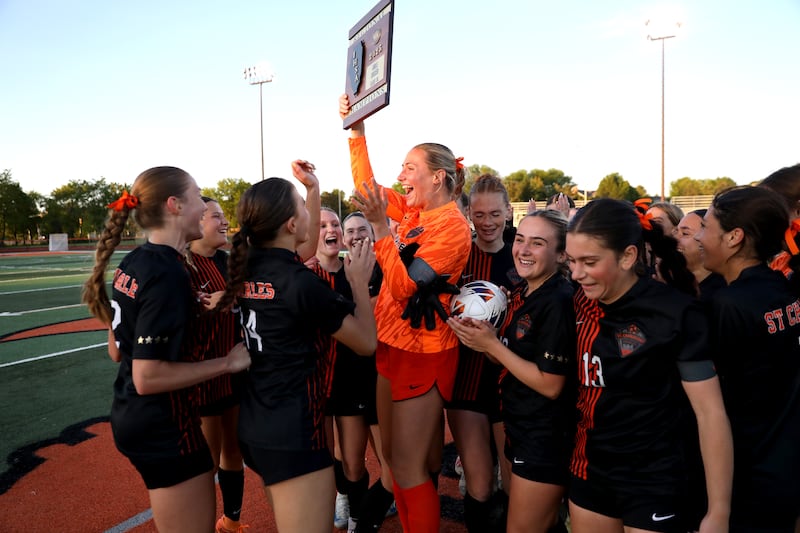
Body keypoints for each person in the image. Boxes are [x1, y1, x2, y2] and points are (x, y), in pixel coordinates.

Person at [82, 166, 251, 533]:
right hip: (163, 423)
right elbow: (148, 376)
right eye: (197, 198)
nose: (203, 209)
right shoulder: (168, 273)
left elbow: (117, 351)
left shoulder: (139, 260)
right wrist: (227, 363)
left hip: (136, 415)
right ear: (174, 205)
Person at [216, 164, 378, 533]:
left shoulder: (248, 263)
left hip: (257, 423)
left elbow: (297, 249)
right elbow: (366, 343)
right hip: (295, 429)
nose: (313, 217)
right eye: (305, 211)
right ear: (291, 224)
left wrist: (313, 188)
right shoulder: (302, 284)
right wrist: (357, 283)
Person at [340, 94, 472, 533]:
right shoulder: (417, 209)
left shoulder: (452, 226)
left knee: (412, 468)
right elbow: (368, 190)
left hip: (424, 352)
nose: (400, 176)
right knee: (394, 462)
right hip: (391, 345)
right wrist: (356, 133)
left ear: (437, 177)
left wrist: (380, 228)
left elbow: (402, 286)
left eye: (409, 168)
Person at [565, 198, 733, 533]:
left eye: (589, 261)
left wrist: (719, 511)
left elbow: (710, 413)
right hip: (590, 473)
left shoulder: (676, 313)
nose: (576, 273)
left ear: (628, 256)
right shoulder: (578, 302)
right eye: (571, 261)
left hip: (655, 480)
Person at [448, 210, 576, 533]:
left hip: (545, 438)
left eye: (537, 243)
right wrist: (479, 333)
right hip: (523, 429)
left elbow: (551, 384)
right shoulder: (522, 293)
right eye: (520, 239)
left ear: (561, 254)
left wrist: (491, 345)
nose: (523, 250)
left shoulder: (557, 301)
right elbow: (506, 358)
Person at [695, 186, 800, 532]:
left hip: (748, 471)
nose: (698, 236)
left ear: (734, 237)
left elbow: (716, 401)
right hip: (784, 464)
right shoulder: (782, 286)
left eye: (706, 227)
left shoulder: (729, 304)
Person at [446, 174, 518, 532]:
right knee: (480, 485)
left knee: (513, 485)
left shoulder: (522, 255)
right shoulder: (459, 254)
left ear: (508, 211)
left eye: (494, 213)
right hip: (466, 383)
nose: (487, 222)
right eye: (478, 214)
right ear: (469, 215)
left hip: (511, 384)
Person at [185, 196, 248, 533]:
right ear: (197, 222)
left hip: (235, 373)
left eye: (225, 216)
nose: (224, 222)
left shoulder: (229, 261)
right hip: (205, 377)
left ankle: (232, 521)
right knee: (206, 462)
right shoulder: (184, 266)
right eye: (216, 217)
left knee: (233, 451)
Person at [674, 209, 725, 301]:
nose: (675, 239)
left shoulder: (722, 293)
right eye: (675, 232)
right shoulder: (665, 281)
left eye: (685, 233)